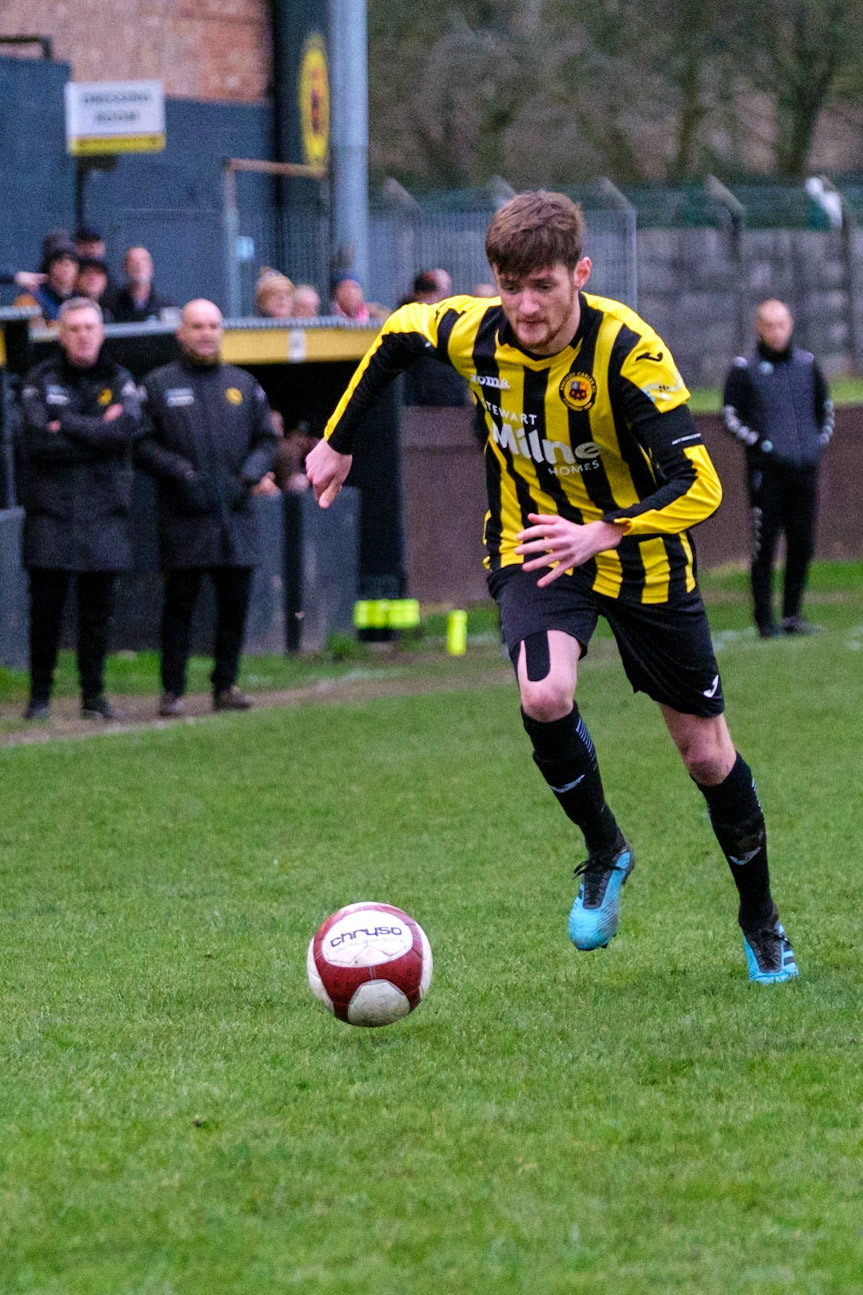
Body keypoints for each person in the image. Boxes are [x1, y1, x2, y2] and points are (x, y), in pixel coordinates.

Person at [307, 189, 799, 985]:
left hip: (639, 552)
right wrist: (335, 442)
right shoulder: (477, 331)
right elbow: (398, 333)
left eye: (543, 286)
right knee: (543, 696)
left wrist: (604, 528)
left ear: (580, 273)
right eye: (510, 286)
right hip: (534, 543)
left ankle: (760, 918)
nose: (525, 307)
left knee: (705, 753)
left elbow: (700, 484)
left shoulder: (627, 353)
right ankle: (605, 848)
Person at [136, 299, 277, 717]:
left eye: (213, 326)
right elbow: (141, 443)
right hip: (183, 516)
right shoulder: (159, 385)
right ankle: (172, 691)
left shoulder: (244, 384)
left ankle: (225, 686)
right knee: (179, 607)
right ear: (181, 333)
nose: (206, 333)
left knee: (234, 608)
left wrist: (249, 476)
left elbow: (267, 441)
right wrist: (179, 471)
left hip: (235, 516)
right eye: (197, 326)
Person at [17, 298, 142, 720]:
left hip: (105, 512)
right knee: (46, 613)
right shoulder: (39, 378)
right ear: (61, 334)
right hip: (50, 513)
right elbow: (37, 441)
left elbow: (124, 433)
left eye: (90, 327)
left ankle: (94, 696)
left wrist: (66, 423)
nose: (83, 335)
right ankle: (39, 698)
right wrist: (96, 430)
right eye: (74, 329)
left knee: (97, 613)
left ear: (101, 332)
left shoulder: (120, 379)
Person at [722, 299, 834, 638]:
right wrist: (762, 445)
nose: (776, 331)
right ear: (759, 328)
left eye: (782, 324)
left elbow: (825, 410)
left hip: (804, 470)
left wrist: (816, 443)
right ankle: (764, 619)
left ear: (791, 325)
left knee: (802, 543)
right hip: (766, 473)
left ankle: (792, 615)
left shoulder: (807, 365)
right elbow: (730, 416)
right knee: (765, 544)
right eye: (769, 325)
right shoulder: (745, 369)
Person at [401, 268, 468, 407]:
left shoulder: (451, 320)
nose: (444, 297)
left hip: (451, 402)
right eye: (440, 292)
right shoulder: (407, 322)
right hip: (420, 403)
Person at [15, 242, 80, 323]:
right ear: (50, 266)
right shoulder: (31, 297)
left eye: (72, 261)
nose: (66, 266)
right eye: (60, 261)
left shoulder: (80, 297)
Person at [112, 245, 176, 323]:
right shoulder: (112, 306)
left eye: (144, 261)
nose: (139, 265)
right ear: (124, 268)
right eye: (133, 262)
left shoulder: (166, 307)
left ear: (151, 268)